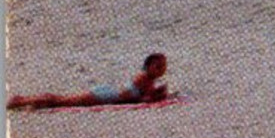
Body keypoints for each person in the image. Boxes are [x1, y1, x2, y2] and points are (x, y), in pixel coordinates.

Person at [9, 53, 169, 110]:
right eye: (157, 66)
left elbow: (145, 96)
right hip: (103, 96)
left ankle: (23, 100)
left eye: (162, 67)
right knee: (62, 101)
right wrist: (157, 95)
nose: (161, 69)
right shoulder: (143, 78)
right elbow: (137, 99)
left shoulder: (149, 79)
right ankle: (19, 101)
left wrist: (158, 93)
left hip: (107, 93)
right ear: (148, 66)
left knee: (61, 101)